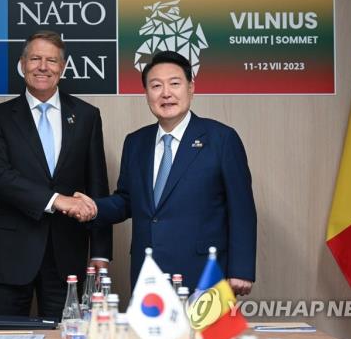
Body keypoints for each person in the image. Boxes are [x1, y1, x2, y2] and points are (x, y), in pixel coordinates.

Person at [72, 51, 256, 294]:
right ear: (147, 93)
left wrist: (240, 269)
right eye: (156, 85)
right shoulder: (136, 142)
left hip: (204, 272)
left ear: (191, 88)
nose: (166, 93)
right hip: (148, 272)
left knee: (200, 333)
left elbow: (241, 208)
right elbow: (127, 200)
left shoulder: (221, 139)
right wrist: (95, 208)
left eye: (175, 84)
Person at [0, 30, 112, 318]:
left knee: (66, 334)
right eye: (35, 59)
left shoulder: (87, 116)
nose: (43, 67)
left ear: (62, 68)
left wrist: (100, 252)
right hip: (10, 254)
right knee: (2, 337)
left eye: (51, 60)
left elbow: (97, 186)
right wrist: (56, 200)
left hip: (68, 255)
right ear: (22, 64)